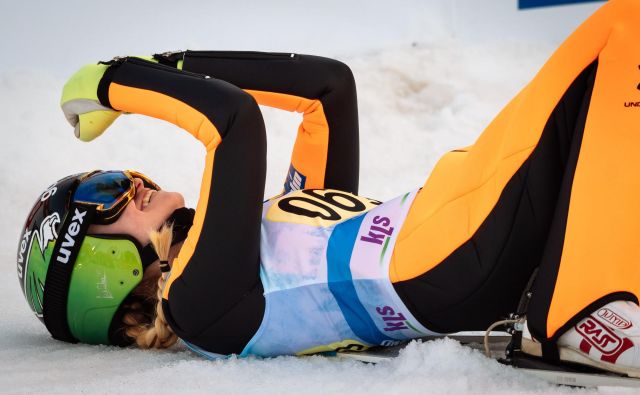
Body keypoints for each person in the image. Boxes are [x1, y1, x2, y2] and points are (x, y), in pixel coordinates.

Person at [15, 0, 640, 377]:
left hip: (461, 220)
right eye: (104, 196)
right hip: (453, 258)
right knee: (623, 29)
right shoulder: (201, 308)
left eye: (120, 176)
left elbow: (327, 91)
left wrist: (169, 65)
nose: (131, 182)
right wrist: (116, 81)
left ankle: (594, 293)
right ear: (98, 268)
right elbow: (234, 125)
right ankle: (592, 305)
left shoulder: (241, 254)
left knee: (617, 48)